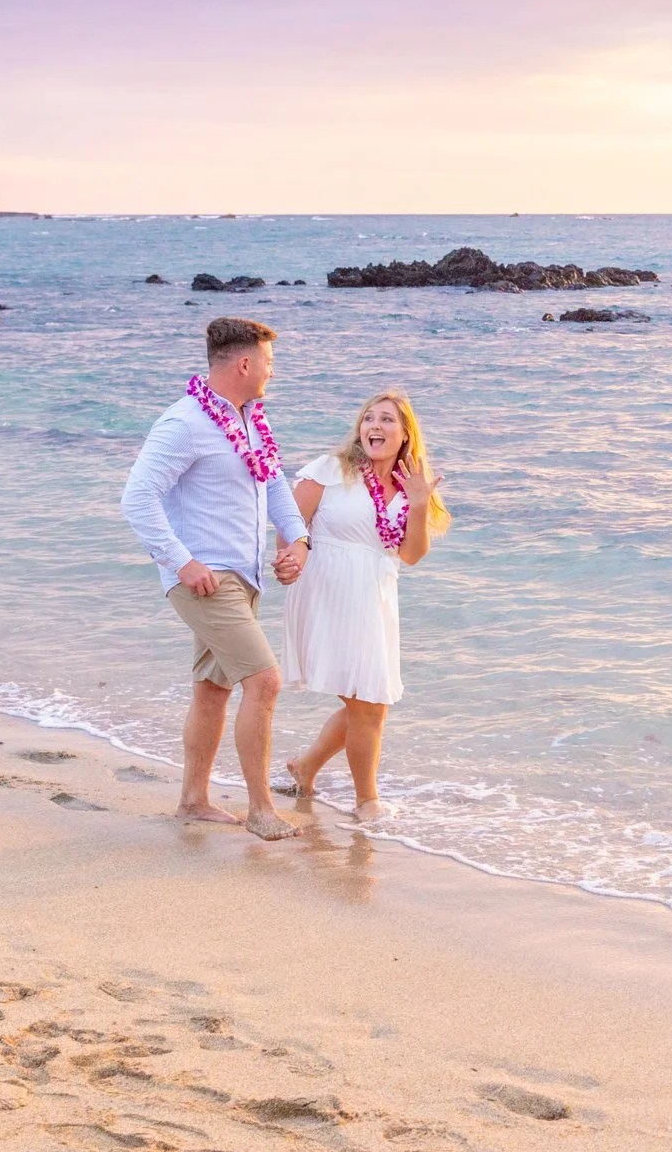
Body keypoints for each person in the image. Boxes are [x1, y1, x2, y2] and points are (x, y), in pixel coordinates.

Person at [120, 317, 312, 837]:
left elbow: (274, 486)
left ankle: (193, 800)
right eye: (270, 361)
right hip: (203, 577)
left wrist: (298, 540)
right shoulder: (184, 423)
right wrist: (181, 560)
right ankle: (262, 810)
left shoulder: (252, 420)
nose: (274, 371)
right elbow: (137, 497)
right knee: (264, 681)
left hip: (244, 575)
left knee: (212, 688)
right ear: (245, 363)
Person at [281, 389, 449, 820]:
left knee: (367, 701)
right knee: (368, 704)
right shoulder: (333, 468)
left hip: (374, 598)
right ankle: (366, 801)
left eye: (387, 419)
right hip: (326, 587)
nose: (375, 425)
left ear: (406, 434)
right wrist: (290, 557)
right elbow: (290, 521)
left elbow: (410, 555)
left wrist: (416, 503)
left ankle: (305, 768)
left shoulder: (412, 487)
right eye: (369, 418)